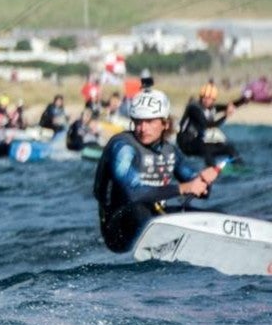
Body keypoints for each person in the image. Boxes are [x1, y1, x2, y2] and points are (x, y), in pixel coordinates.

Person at [93, 89, 220, 253]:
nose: (142, 128)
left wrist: (203, 181)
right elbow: (134, 193)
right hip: (118, 227)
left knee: (214, 218)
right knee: (141, 211)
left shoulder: (170, 151)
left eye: (150, 121)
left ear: (165, 123)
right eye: (138, 122)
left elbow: (198, 188)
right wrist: (183, 188)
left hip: (156, 218)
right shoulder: (122, 147)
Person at [177, 82, 242, 165]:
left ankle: (239, 168)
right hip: (186, 144)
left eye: (209, 98)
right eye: (204, 98)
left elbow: (229, 106)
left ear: (213, 100)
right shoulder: (194, 108)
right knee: (206, 148)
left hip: (198, 141)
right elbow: (208, 125)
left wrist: (243, 100)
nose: (206, 100)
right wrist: (225, 116)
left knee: (229, 148)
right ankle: (211, 169)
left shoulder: (211, 108)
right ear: (200, 97)